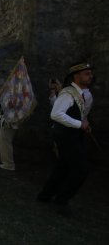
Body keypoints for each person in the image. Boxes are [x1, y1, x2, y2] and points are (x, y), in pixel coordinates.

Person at [37, 62, 93, 217]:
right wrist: (79, 124)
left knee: (62, 167)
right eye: (86, 73)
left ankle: (45, 195)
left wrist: (83, 124)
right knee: (81, 170)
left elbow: (76, 114)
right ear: (76, 76)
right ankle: (61, 200)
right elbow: (56, 114)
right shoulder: (69, 93)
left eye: (90, 73)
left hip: (72, 135)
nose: (90, 76)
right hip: (66, 137)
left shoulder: (79, 94)